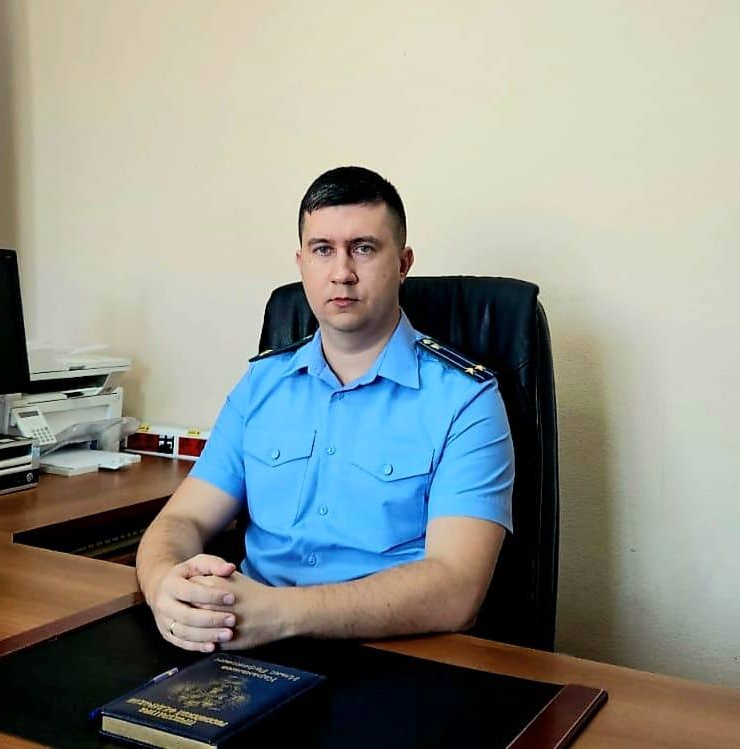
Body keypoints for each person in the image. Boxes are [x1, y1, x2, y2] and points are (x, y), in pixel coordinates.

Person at [135, 166, 514, 652]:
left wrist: (279, 614)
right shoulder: (261, 386)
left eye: (364, 248)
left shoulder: (466, 401)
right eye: (322, 250)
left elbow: (457, 589)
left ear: (403, 263)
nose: (342, 272)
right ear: (301, 263)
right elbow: (180, 521)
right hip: (245, 644)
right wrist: (164, 586)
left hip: (391, 655)